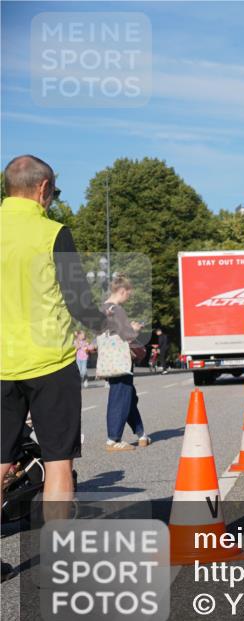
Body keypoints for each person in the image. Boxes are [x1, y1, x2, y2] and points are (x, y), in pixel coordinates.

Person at [1, 155, 106, 579]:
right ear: (42, 189)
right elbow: (80, 302)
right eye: (54, 193)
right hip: (49, 362)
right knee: (58, 460)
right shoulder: (52, 232)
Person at [101, 276, 151, 452]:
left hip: (109, 360)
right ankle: (113, 439)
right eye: (128, 294)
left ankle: (141, 433)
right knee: (120, 397)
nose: (128, 298)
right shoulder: (118, 310)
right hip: (121, 360)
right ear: (122, 291)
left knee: (128, 396)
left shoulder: (102, 308)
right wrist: (135, 329)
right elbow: (127, 336)